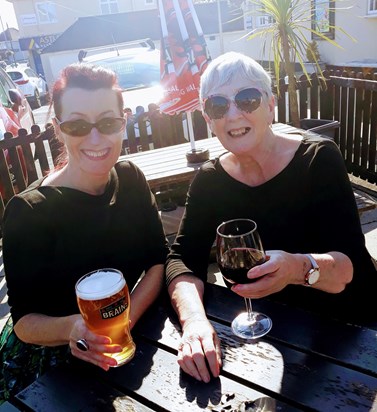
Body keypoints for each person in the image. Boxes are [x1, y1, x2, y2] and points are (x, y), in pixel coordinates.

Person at [166, 52, 377, 383]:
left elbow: (353, 268)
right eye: (218, 105)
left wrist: (295, 269)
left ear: (270, 106)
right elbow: (181, 260)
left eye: (247, 99)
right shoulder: (210, 181)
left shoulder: (318, 160)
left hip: (346, 328)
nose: (233, 114)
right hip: (267, 334)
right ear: (209, 118)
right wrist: (193, 320)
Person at [0, 63, 169, 402]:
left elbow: (157, 262)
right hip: (54, 364)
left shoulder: (132, 180)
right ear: (58, 130)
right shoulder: (28, 212)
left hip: (133, 341)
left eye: (107, 123)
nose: (95, 138)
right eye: (77, 125)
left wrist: (124, 323)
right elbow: (23, 323)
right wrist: (73, 328)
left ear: (122, 124)